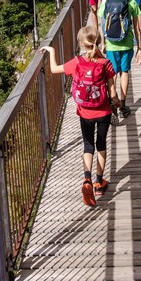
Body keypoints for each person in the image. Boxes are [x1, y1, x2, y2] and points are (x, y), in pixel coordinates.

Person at [41, 26, 116, 206]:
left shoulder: (77, 62)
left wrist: (51, 51)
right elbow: (112, 91)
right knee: (101, 144)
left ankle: (87, 180)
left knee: (88, 145)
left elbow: (54, 69)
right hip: (103, 110)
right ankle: (99, 182)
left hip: (85, 112)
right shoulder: (105, 63)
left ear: (81, 44)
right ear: (97, 42)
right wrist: (117, 103)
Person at [100, 0, 141, 119]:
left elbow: (103, 23)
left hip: (111, 44)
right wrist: (139, 48)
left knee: (112, 74)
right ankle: (123, 105)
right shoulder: (131, 2)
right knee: (124, 72)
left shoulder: (105, 2)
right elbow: (138, 27)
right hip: (127, 43)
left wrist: (104, 43)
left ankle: (113, 101)